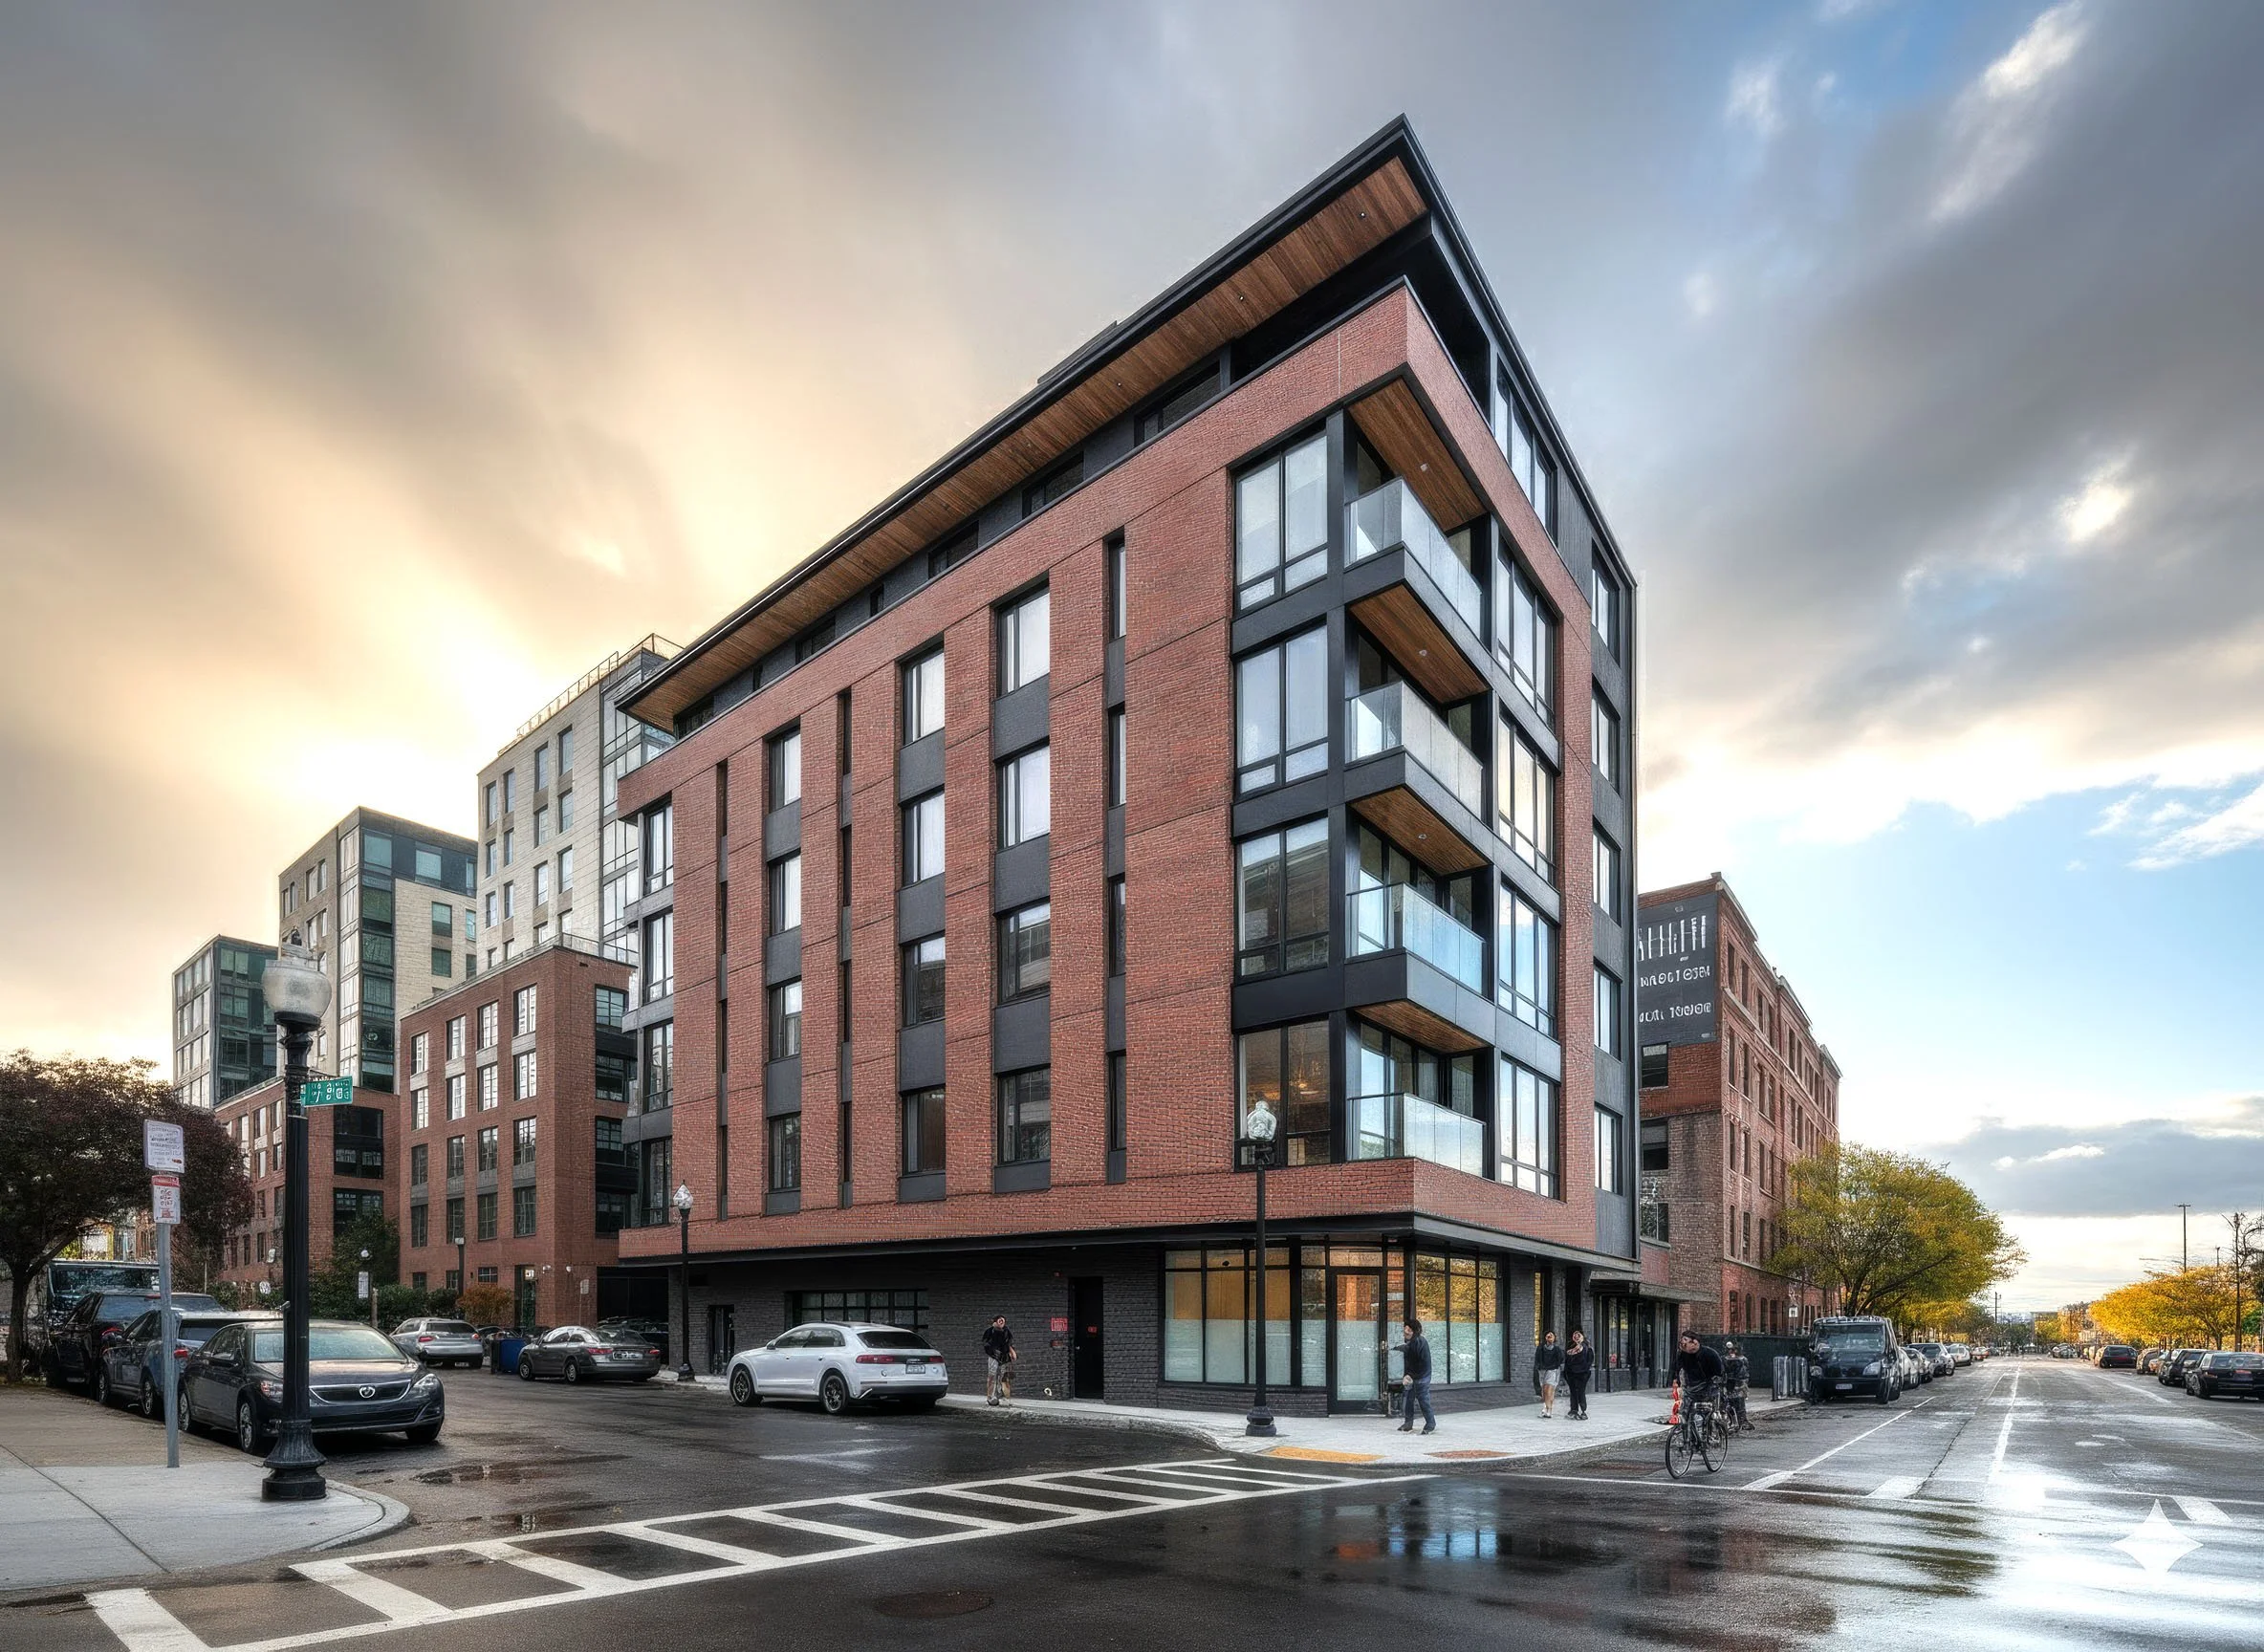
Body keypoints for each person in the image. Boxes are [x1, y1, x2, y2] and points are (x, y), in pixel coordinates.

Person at [1669, 1331, 1725, 1420]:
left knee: (1709, 1412)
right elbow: (1676, 1368)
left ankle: (1713, 1427)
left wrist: (1715, 1383)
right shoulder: (1682, 1355)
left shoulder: (1710, 1354)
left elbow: (1719, 1372)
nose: (1682, 1345)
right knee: (1685, 1412)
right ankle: (1686, 1428)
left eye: (1685, 1342)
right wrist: (1676, 1383)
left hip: (1709, 1387)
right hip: (1691, 1387)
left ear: (1694, 1343)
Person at [1393, 1317, 1435, 1434]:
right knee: (1409, 1400)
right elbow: (1407, 1352)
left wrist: (1409, 1376)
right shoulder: (1411, 1342)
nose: (1405, 1331)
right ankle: (1408, 1424)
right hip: (1414, 1376)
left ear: (1415, 1332)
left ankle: (1430, 1424)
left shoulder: (1418, 1343)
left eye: (1409, 1330)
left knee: (1423, 1400)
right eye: (1405, 1328)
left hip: (1421, 1377)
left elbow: (1420, 1363)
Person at [982, 1314, 1016, 1406]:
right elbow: (985, 1344)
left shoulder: (1006, 1331)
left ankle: (1005, 1397)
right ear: (995, 1322)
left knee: (1004, 1377)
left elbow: (1009, 1342)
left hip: (1005, 1356)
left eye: (1003, 1321)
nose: (1002, 1323)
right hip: (994, 1356)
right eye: (1000, 1321)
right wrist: (993, 1352)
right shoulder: (990, 1331)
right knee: (992, 1376)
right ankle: (990, 1397)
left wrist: (1012, 1352)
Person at [1561, 1328, 1595, 1420]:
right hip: (1571, 1374)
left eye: (1578, 1335)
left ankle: (1583, 1410)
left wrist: (1584, 1370)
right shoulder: (1570, 1347)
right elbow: (1567, 1361)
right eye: (1574, 1335)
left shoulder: (1587, 1347)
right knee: (1573, 1392)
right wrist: (1566, 1373)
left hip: (1582, 1374)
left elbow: (1590, 1360)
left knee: (1581, 1391)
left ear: (1582, 1336)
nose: (1576, 1337)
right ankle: (1574, 1410)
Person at [1535, 1330, 1565, 1418]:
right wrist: (1538, 1368)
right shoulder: (1540, 1348)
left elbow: (1561, 1359)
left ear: (1555, 1338)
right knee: (1544, 1391)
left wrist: (1556, 1367)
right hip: (1542, 1371)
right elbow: (1537, 1359)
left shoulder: (1557, 1349)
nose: (1550, 1336)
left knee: (1549, 1390)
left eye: (1552, 1335)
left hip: (1552, 1371)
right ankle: (1545, 1408)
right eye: (1548, 1335)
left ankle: (1549, 1410)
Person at [1722, 1339, 1752, 1428]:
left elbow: (1744, 1373)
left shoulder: (1741, 1360)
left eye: (1733, 1350)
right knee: (1730, 1402)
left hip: (1738, 1383)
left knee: (1738, 1402)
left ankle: (1740, 1421)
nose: (1731, 1352)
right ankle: (1734, 1421)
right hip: (1730, 1383)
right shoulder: (1725, 1359)